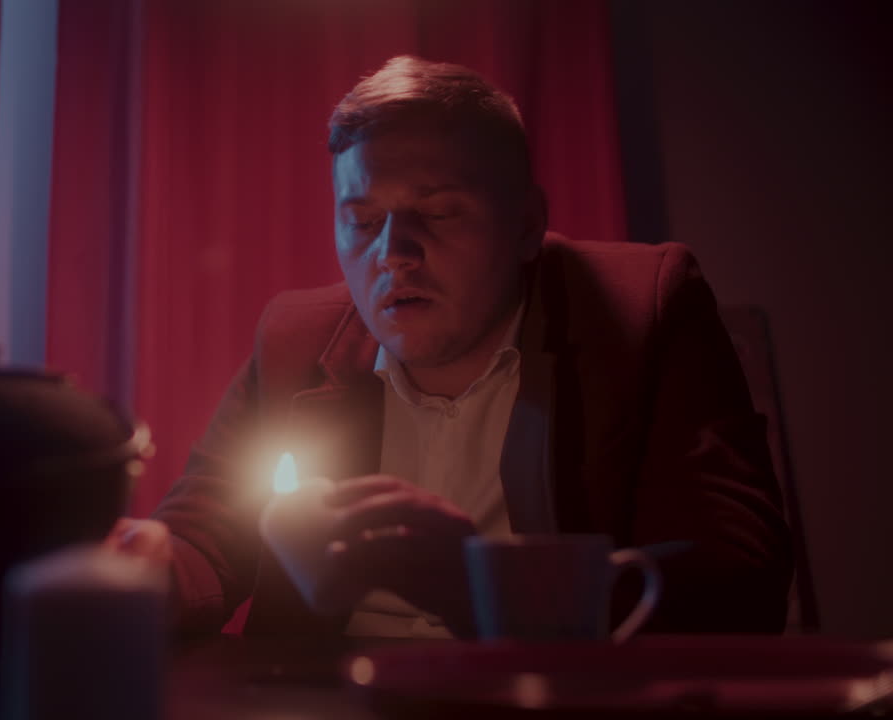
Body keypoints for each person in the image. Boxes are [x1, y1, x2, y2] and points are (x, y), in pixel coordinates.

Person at [106, 55, 793, 638]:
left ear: (527, 225)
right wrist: (157, 571)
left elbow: (734, 578)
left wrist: (479, 586)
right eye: (363, 220)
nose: (393, 255)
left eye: (438, 213)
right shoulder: (296, 335)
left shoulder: (644, 307)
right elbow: (208, 532)